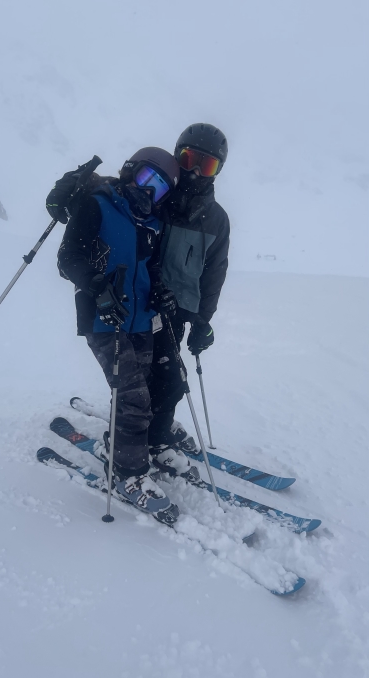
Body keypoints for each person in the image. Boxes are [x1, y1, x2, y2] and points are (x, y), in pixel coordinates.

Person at [55, 147, 181, 524]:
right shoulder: (98, 205)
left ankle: (119, 445)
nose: (150, 191)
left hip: (141, 320)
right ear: (129, 171)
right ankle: (127, 473)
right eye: (146, 178)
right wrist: (98, 288)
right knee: (134, 397)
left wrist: (159, 291)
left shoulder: (153, 223)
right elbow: (67, 258)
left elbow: (149, 268)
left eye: (160, 188)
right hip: (103, 319)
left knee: (140, 391)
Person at [146, 124, 230, 472]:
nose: (195, 171)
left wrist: (202, 321)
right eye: (189, 159)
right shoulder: (157, 197)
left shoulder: (217, 220)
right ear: (177, 155)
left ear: (217, 171)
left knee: (166, 376)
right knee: (162, 377)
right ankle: (151, 436)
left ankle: (155, 424)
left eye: (206, 165)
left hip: (179, 312)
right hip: (143, 303)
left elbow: (214, 273)